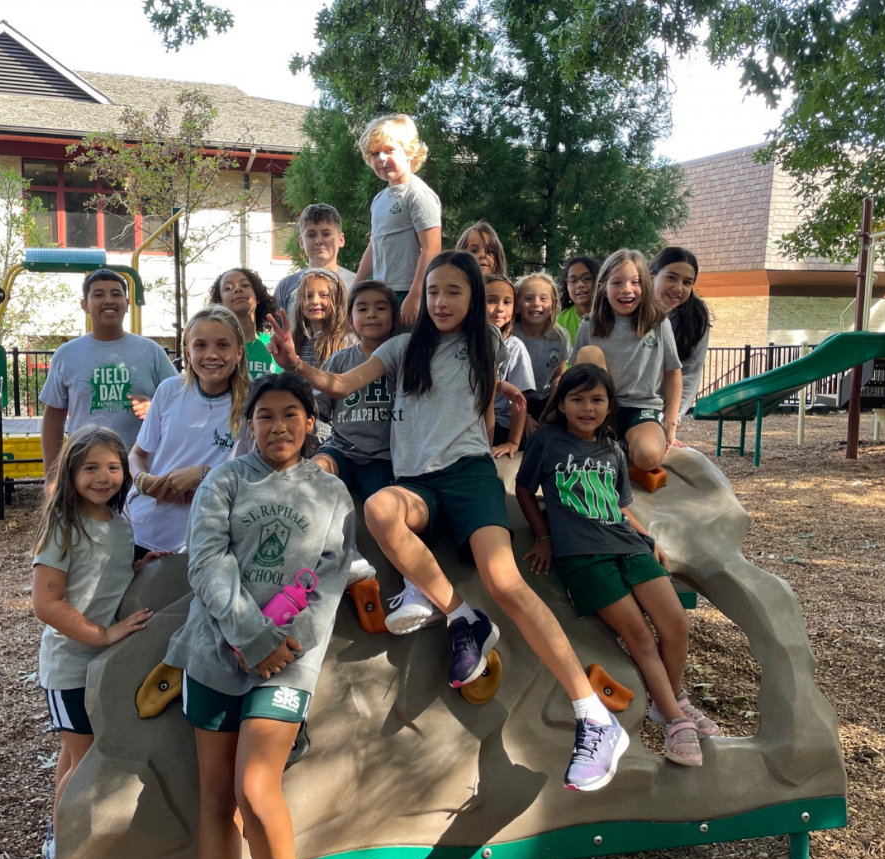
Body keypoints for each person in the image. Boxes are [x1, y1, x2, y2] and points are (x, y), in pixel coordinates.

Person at [267, 250, 628, 792]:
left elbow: (494, 370)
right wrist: (296, 364)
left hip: (470, 476)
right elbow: (340, 386)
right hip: (418, 484)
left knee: (505, 583)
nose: (440, 301)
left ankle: (595, 717)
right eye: (432, 291)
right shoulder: (400, 348)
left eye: (453, 291)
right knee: (380, 507)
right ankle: (464, 618)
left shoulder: (483, 341)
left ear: (473, 298)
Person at [164, 373, 359, 859]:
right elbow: (207, 563)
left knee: (254, 786)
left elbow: (329, 579)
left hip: (289, 660)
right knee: (217, 798)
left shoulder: (332, 493)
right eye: (265, 416)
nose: (278, 426)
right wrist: (251, 637)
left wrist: (279, 645)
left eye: (291, 414)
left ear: (311, 422)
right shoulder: (223, 482)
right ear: (248, 425)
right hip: (214, 651)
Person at [516, 364, 720, 769]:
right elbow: (525, 489)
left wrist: (648, 539)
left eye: (597, 399)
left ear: (610, 406)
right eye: (577, 399)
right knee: (640, 638)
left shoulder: (612, 449)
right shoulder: (547, 442)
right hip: (584, 556)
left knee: (677, 624)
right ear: (562, 404)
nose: (587, 408)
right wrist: (543, 537)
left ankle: (669, 702)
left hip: (628, 546)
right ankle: (676, 724)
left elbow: (621, 505)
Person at [30, 425, 165, 859]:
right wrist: (103, 633)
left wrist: (137, 565)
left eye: (113, 466)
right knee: (84, 760)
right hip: (69, 666)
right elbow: (46, 603)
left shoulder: (121, 523)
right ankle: (62, 846)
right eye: (91, 467)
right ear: (70, 472)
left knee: (75, 756)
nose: (104, 476)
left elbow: (104, 568)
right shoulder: (64, 526)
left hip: (100, 666)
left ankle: (61, 836)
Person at [128, 306, 249, 559]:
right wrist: (143, 481)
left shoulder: (254, 404)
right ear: (187, 353)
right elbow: (137, 455)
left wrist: (205, 475)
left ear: (239, 353)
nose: (212, 354)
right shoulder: (169, 390)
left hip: (204, 540)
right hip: (142, 528)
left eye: (223, 345)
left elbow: (261, 474)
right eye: (201, 345)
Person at [40, 270, 177, 478]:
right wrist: (52, 477)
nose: (108, 300)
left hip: (143, 473)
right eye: (98, 295)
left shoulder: (151, 351)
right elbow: (53, 418)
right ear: (84, 305)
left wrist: (155, 408)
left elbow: (180, 403)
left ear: (127, 302)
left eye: (115, 294)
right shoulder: (66, 354)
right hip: (86, 472)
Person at [570, 249, 681, 478]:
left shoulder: (658, 323)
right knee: (589, 353)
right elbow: (575, 374)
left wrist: (670, 424)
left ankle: (619, 446)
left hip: (642, 408)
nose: (626, 289)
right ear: (603, 286)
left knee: (648, 456)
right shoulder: (589, 324)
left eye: (635, 282)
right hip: (600, 407)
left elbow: (673, 373)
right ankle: (605, 440)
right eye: (617, 282)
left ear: (646, 286)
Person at [313, 280, 398, 501]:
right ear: (351, 320)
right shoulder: (340, 360)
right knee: (314, 471)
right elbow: (318, 405)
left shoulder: (403, 361)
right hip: (341, 450)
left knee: (380, 505)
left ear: (395, 317)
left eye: (380, 308)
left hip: (384, 457)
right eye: (362, 308)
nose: (371, 314)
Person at [353, 113, 442, 326]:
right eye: (375, 153)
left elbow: (432, 249)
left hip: (408, 290)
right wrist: (355, 287)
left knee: (404, 353)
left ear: (410, 152)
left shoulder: (418, 194)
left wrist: (416, 295)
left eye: (389, 150)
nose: (381, 158)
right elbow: (374, 246)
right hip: (382, 293)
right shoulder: (379, 200)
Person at [651, 247, 711, 427]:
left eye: (687, 282)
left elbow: (691, 371)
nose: (678, 288)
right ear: (652, 276)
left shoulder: (696, 317)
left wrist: (671, 419)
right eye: (671, 277)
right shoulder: (630, 309)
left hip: (662, 414)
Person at [513, 272, 572, 435]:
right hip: (509, 402)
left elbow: (559, 377)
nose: (536, 304)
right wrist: (524, 418)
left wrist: (549, 411)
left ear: (553, 306)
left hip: (543, 400)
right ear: (517, 306)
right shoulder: (510, 335)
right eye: (528, 298)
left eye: (543, 298)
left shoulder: (559, 337)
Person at [485, 274, 534, 457]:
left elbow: (519, 400)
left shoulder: (515, 347)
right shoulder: (465, 343)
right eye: (491, 300)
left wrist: (513, 442)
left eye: (507, 302)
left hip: (500, 423)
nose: (499, 309)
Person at [274, 204, 356, 313]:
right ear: (301, 242)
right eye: (311, 235)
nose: (319, 241)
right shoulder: (286, 286)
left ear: (341, 239)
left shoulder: (356, 283)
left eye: (326, 234)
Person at [208, 267, 280, 380]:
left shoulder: (275, 346)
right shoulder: (214, 348)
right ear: (220, 303)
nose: (238, 289)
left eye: (245, 285)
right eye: (228, 288)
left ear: (258, 297)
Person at [290, 268, 352, 369]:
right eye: (308, 296)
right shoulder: (297, 340)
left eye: (324, 295)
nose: (314, 301)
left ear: (337, 300)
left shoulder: (347, 340)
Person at [556, 254, 600, 341]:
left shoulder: (612, 317)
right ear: (566, 286)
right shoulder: (559, 323)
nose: (580, 285)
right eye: (573, 280)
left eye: (587, 278)